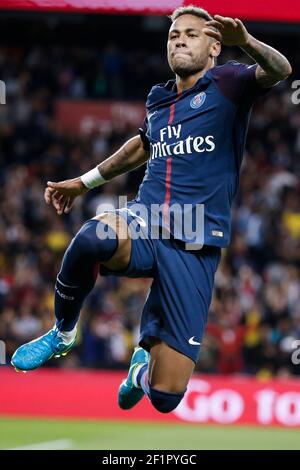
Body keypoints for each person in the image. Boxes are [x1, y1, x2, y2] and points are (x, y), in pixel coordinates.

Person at [11, 6, 292, 414]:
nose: (179, 39)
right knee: (93, 236)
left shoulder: (230, 82)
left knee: (165, 397)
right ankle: (63, 331)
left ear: (214, 47)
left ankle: (140, 370)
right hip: (148, 219)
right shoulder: (160, 99)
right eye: (174, 34)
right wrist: (84, 181)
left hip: (196, 240)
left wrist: (246, 42)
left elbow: (281, 70)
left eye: (192, 34)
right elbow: (142, 145)